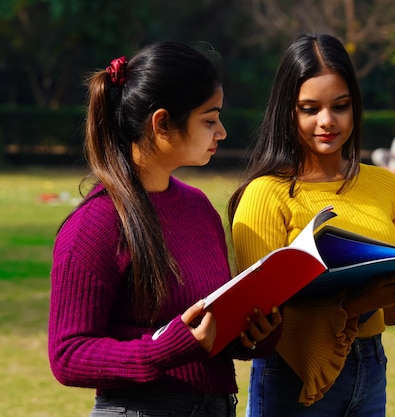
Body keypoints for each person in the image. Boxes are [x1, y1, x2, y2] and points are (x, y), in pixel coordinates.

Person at [227, 33, 395, 417]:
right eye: (309, 108)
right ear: (287, 111)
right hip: (294, 377)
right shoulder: (265, 195)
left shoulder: (385, 185)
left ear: (355, 107)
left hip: (371, 367)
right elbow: (262, 324)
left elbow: (393, 302)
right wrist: (361, 303)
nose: (326, 121)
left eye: (340, 106)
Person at [48, 41, 282, 417]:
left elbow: (201, 328)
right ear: (162, 123)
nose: (221, 132)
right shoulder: (95, 225)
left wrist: (250, 334)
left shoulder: (199, 208)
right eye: (209, 119)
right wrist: (164, 349)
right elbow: (68, 355)